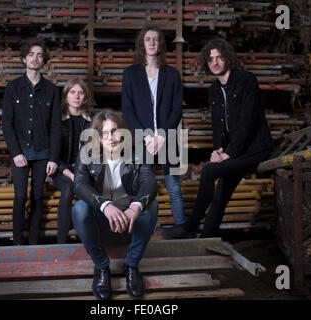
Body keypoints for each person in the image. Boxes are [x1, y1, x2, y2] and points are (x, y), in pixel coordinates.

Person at [158, 38, 274, 239]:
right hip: (233, 152)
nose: (215, 62)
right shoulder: (214, 89)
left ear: (227, 58)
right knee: (220, 194)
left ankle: (189, 228)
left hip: (256, 149)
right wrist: (218, 150)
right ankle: (204, 239)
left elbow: (248, 121)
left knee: (209, 172)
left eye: (219, 57)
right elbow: (218, 126)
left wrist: (229, 153)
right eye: (211, 59)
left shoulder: (247, 80)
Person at [72, 110, 158, 300]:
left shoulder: (136, 152)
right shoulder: (87, 153)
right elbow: (79, 185)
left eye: (114, 131)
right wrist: (105, 205)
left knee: (151, 205)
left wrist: (135, 206)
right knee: (79, 209)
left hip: (130, 223)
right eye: (103, 133)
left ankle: (131, 265)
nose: (110, 138)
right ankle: (101, 267)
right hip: (101, 225)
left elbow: (149, 182)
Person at [121, 24, 185, 232]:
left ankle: (180, 226)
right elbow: (127, 110)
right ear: (142, 43)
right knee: (141, 186)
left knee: (173, 186)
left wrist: (163, 136)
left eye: (156, 39)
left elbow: (177, 109)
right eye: (148, 39)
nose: (152, 43)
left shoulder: (172, 74)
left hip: (168, 137)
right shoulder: (130, 74)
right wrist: (147, 137)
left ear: (161, 45)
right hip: (142, 138)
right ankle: (141, 227)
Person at [2, 41, 61, 245]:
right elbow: (7, 125)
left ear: (44, 61)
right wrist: (16, 152)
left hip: (43, 154)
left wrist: (54, 158)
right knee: (20, 197)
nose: (35, 58)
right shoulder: (13, 87)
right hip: (21, 153)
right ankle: (18, 241)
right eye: (31, 54)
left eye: (39, 55)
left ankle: (33, 241)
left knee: (37, 197)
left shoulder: (52, 90)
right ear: (24, 59)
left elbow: (55, 127)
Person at [52, 78, 92, 244]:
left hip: (83, 170)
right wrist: (69, 173)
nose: (77, 96)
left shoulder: (91, 121)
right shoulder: (57, 121)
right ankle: (62, 241)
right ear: (66, 96)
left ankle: (89, 238)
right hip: (62, 170)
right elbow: (53, 151)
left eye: (81, 92)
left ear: (85, 97)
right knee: (68, 189)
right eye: (73, 92)